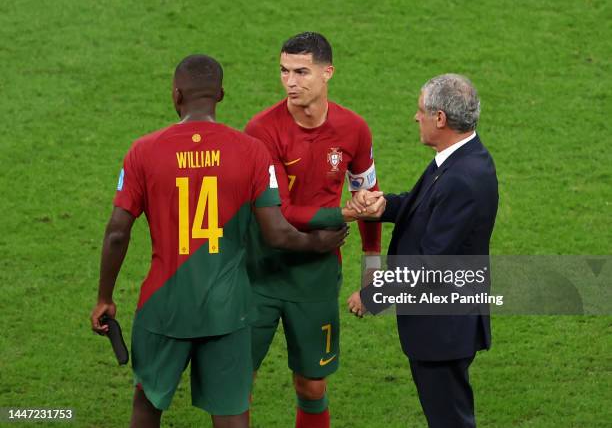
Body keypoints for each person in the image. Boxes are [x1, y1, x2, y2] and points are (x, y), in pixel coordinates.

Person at [90, 54, 347, 428]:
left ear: (176, 95)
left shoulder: (143, 151)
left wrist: (104, 298)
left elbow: (116, 233)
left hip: (164, 306)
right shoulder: (252, 151)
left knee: (146, 409)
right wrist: (318, 243)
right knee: (231, 415)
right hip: (227, 311)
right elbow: (277, 233)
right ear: (221, 95)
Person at [244, 32, 381, 428]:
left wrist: (372, 264)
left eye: (302, 72)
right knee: (238, 381)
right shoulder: (262, 131)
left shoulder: (354, 129)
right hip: (260, 273)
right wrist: (342, 214)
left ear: (327, 73)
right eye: (284, 71)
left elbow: (367, 194)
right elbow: (280, 211)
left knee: (312, 385)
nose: (290, 82)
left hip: (317, 276)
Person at [348, 74, 498, 428]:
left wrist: (372, 296)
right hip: (442, 322)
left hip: (444, 325)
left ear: (441, 118)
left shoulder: (462, 176)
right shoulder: (459, 159)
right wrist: (384, 206)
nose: (416, 117)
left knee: (450, 420)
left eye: (421, 111)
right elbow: (426, 208)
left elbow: (431, 262)